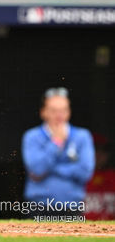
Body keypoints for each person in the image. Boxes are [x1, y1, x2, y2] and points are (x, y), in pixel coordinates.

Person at [22, 88, 95, 216]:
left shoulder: (82, 136)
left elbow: (85, 173)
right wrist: (56, 142)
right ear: (43, 112)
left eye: (63, 110)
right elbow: (37, 170)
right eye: (53, 110)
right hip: (39, 206)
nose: (59, 115)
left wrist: (53, 169)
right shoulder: (32, 136)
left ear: (69, 112)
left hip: (72, 206)